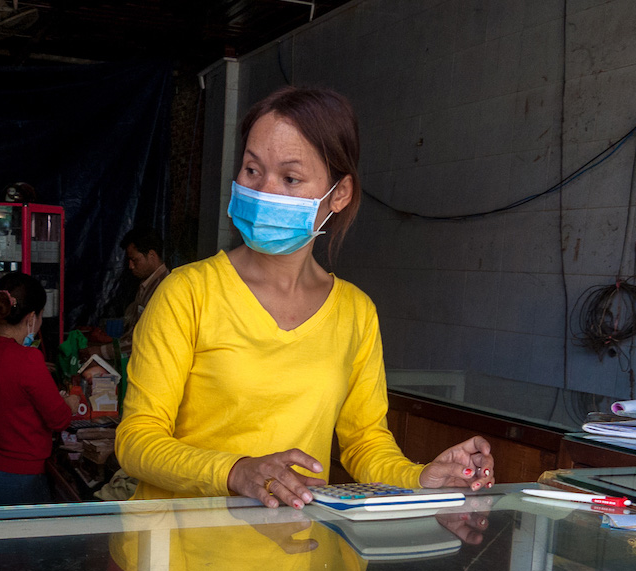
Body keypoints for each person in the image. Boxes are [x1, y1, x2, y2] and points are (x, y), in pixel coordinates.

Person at [114, 86, 493, 507]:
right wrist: (236, 471)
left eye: (290, 178)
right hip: (182, 560)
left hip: (301, 553)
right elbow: (137, 441)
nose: (263, 191)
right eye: (252, 170)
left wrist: (422, 477)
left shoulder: (355, 312)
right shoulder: (187, 293)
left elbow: (365, 443)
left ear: (339, 194)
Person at [0, 272, 73, 506]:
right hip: (20, 479)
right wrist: (70, 404)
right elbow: (59, 420)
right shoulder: (28, 360)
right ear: (32, 317)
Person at [118, 228, 171, 353]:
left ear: (152, 255)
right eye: (129, 261)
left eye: (135, 260)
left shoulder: (163, 288)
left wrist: (101, 351)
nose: (130, 266)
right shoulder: (146, 285)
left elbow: (143, 340)